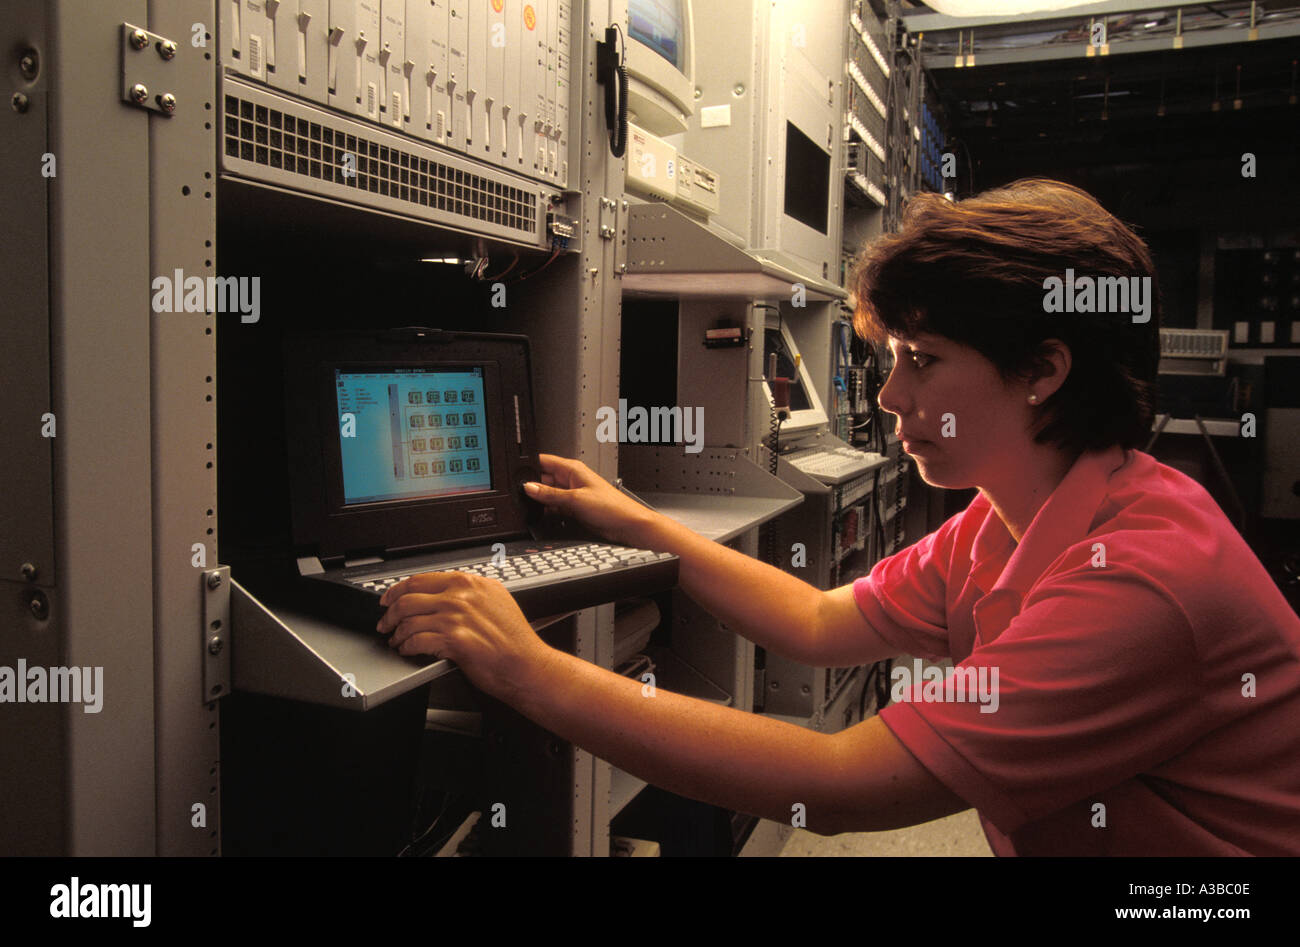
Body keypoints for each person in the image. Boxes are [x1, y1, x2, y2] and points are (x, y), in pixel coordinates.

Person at [377, 179, 1300, 855]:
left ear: (1044, 371)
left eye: (924, 360)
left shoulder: (1140, 577)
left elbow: (842, 784)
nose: (892, 395)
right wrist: (640, 521)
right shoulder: (1012, 515)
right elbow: (819, 622)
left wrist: (525, 667)